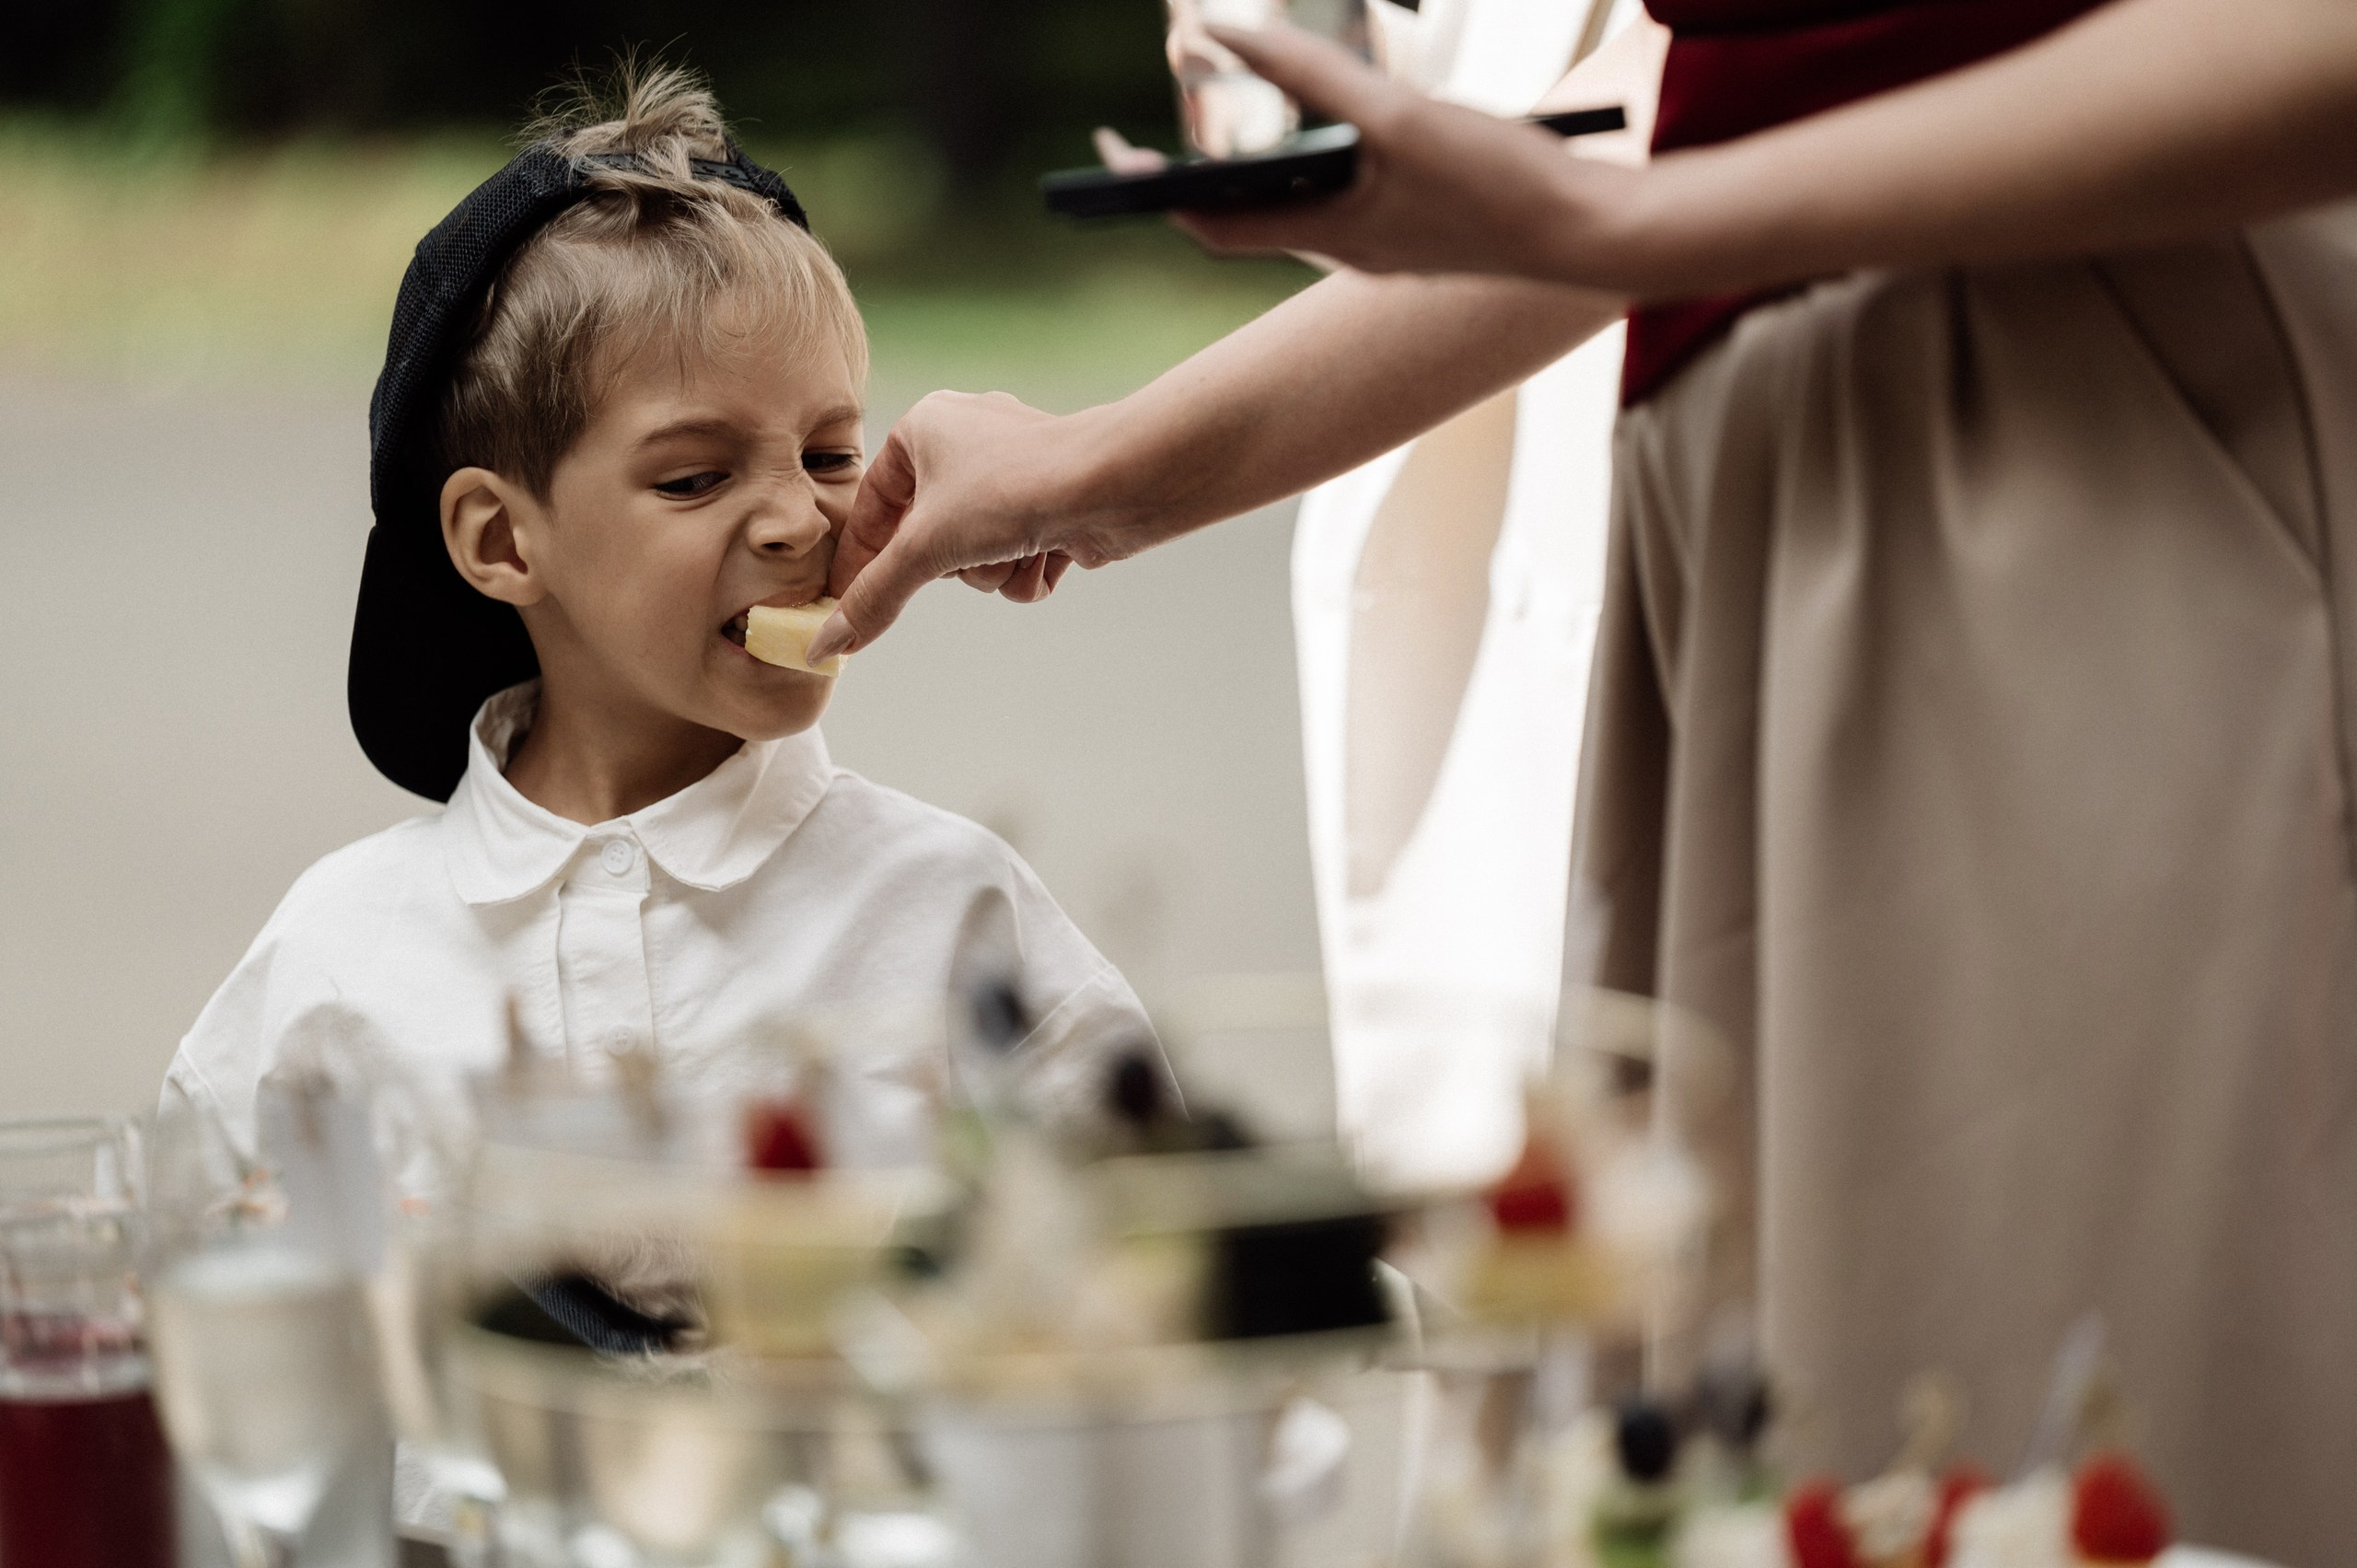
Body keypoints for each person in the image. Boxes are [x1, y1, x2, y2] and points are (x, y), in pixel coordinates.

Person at [812, 5, 2357, 1561]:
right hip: (1772, 507)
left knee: (2060, 1411)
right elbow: (1695, 100)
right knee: (1799, 1429)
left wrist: (1646, 224)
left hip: (2079, 471)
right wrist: (1107, 464)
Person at [163, 67, 1149, 1179]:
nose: (798, 518)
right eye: (693, 477)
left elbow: (1168, 1224)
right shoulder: (335, 960)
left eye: (829, 453)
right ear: (503, 540)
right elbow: (196, 1248)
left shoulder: (951, 909)